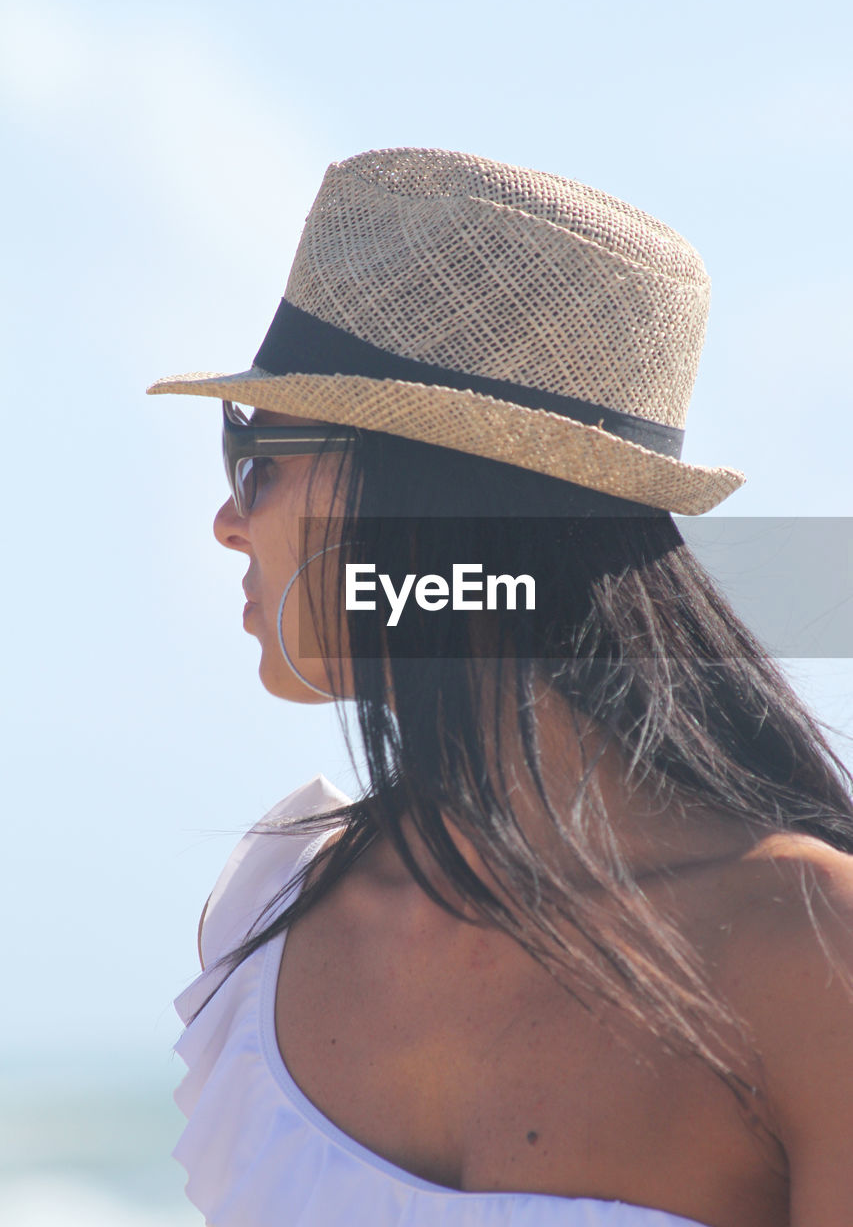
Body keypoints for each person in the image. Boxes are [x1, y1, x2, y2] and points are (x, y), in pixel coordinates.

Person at [148, 147, 853, 1227]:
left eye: (260, 452)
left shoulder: (807, 945)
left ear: (421, 493)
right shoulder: (268, 913)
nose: (227, 516)